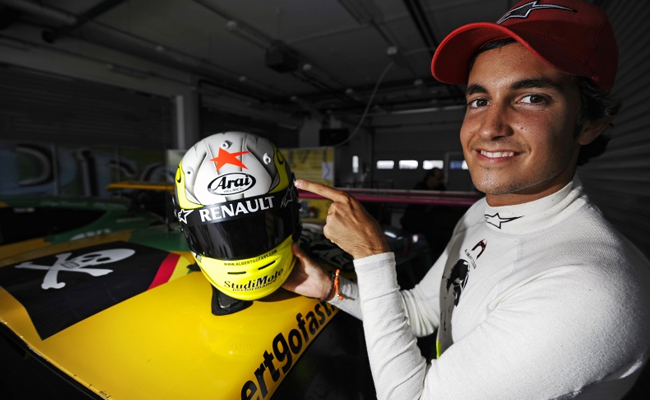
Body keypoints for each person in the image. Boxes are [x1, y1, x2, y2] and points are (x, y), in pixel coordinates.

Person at [282, 1, 650, 399]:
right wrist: (329, 288)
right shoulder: (483, 212)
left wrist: (372, 256)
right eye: (479, 100)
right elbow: (419, 312)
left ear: (590, 124)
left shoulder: (590, 291)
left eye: (531, 98)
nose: (489, 128)